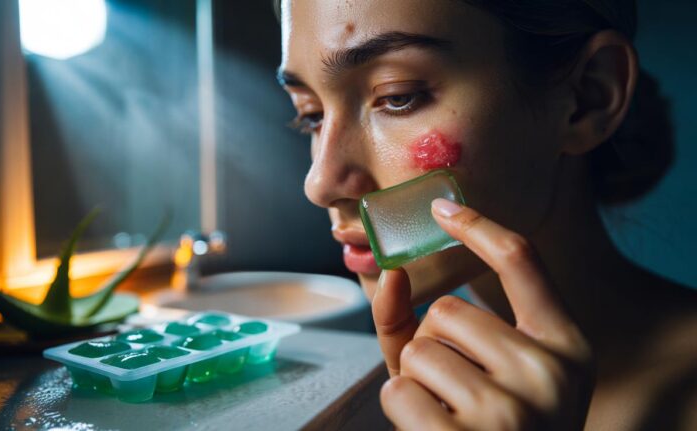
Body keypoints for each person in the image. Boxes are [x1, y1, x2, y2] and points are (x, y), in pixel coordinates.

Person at [275, 0, 697, 429]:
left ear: (588, 97)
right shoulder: (414, 389)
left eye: (397, 96)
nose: (321, 184)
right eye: (310, 114)